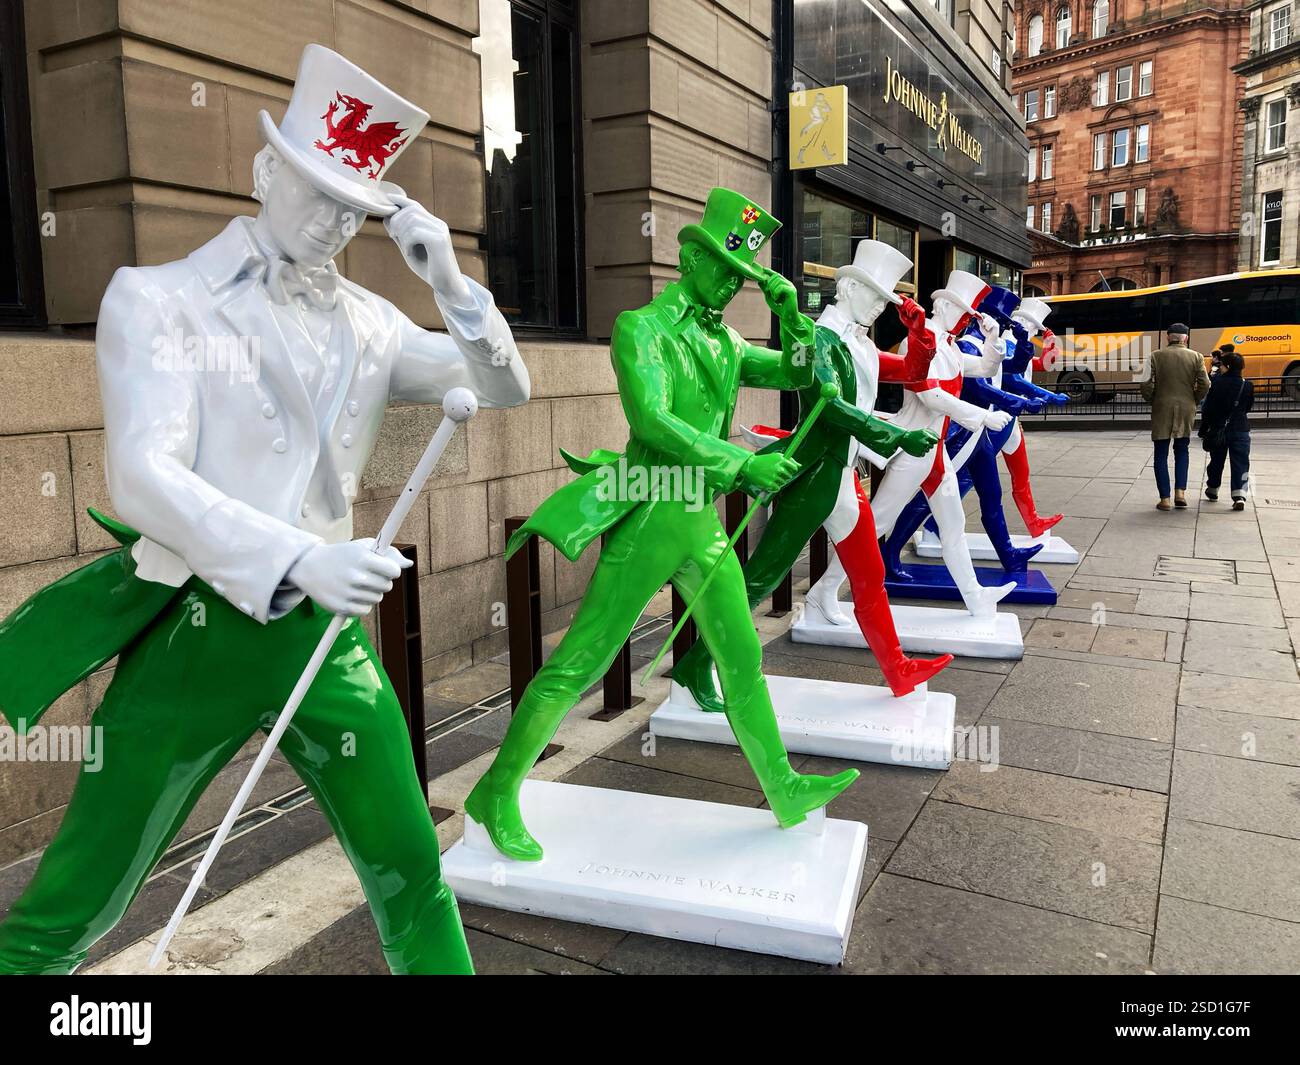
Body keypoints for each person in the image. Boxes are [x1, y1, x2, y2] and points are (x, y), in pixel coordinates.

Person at [0, 45, 532, 975]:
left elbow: (503, 387)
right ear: (262, 171)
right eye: (316, 191)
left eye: (354, 206)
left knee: (411, 865)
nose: (333, 222)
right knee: (80, 896)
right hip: (195, 635)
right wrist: (296, 559)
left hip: (328, 644)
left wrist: (448, 283)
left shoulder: (371, 321)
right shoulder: (159, 300)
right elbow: (143, 477)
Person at [466, 188, 859, 863]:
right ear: (690, 257)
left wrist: (794, 318)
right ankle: (497, 792)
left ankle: (783, 786)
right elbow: (651, 421)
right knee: (580, 661)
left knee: (741, 657)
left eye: (744, 275)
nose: (734, 283)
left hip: (700, 522)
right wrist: (738, 462)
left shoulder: (730, 339)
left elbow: (801, 373)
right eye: (726, 269)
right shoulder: (638, 329)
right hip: (652, 508)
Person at [670, 238, 952, 713]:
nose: (881, 305)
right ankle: (697, 662)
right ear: (845, 289)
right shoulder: (818, 338)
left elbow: (911, 372)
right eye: (874, 295)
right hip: (817, 474)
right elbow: (829, 410)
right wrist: (896, 436)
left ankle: (898, 670)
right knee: (762, 576)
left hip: (844, 477)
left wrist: (919, 333)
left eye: (886, 299)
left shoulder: (860, 344)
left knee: (869, 574)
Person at [1140, 322, 1210, 511]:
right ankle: (1180, 492)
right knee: (1182, 450)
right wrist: (1193, 399)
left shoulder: (1154, 356)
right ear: (1185, 338)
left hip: (1162, 407)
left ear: (1167, 338)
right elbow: (1205, 384)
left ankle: (1165, 499)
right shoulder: (1196, 356)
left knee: (1160, 454)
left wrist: (1153, 398)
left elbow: (1145, 383)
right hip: (1186, 408)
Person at [1200, 349, 1254, 510]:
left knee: (1216, 460)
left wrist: (1204, 428)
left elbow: (1208, 408)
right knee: (1241, 462)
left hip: (1219, 427)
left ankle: (1213, 488)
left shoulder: (1217, 383)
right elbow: (1248, 407)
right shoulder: (1247, 385)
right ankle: (1239, 495)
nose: (1220, 368)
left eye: (1222, 365)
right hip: (1241, 428)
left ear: (1228, 366)